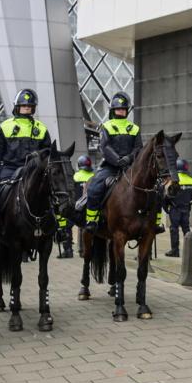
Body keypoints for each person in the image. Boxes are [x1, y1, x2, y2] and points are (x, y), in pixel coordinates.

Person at [0, 88, 53, 247]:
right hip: (10, 169)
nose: (27, 108)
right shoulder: (6, 126)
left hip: (33, 171)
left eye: (29, 106)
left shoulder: (41, 128)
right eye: (23, 105)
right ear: (17, 107)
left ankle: (58, 230)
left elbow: (47, 152)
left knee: (53, 194)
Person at [83, 92, 142, 231]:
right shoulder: (107, 126)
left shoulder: (135, 128)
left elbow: (138, 148)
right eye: (118, 108)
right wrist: (117, 160)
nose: (121, 111)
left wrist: (128, 158)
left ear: (127, 110)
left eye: (123, 108)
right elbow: (104, 146)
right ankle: (91, 220)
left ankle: (153, 222)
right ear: (113, 110)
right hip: (110, 167)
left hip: (130, 167)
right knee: (93, 187)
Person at [57, 154, 95, 258]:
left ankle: (68, 250)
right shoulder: (93, 176)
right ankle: (84, 250)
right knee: (86, 227)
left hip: (74, 208)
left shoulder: (74, 177)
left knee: (67, 227)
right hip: (89, 208)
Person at [164, 159, 192, 257]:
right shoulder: (191, 180)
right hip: (186, 209)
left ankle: (175, 251)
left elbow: (167, 196)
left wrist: (166, 209)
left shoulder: (174, 181)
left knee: (174, 229)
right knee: (186, 229)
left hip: (175, 209)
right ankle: (190, 251)